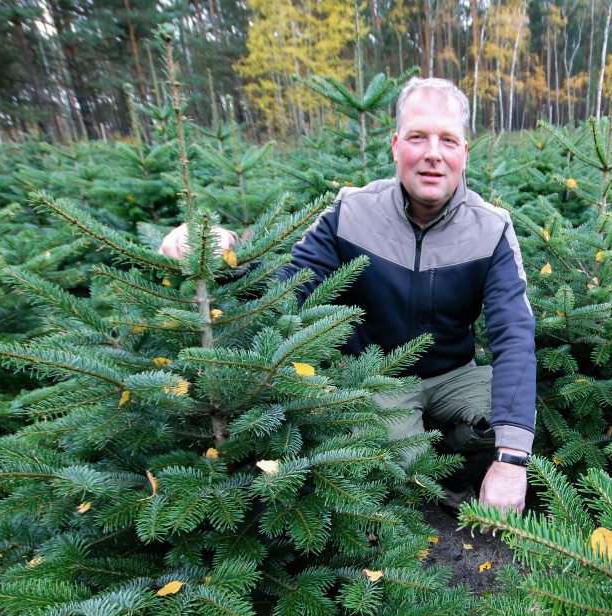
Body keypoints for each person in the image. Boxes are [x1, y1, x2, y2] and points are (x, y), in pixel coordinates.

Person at [160, 77, 535, 513]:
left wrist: (510, 461)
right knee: (400, 466)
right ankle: (433, 475)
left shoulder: (492, 229)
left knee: (510, 423)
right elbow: (290, 288)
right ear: (396, 146)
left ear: (464, 153)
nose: (433, 153)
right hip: (378, 380)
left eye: (448, 140)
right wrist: (226, 252)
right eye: (418, 137)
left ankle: (459, 459)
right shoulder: (350, 213)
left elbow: (514, 336)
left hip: (455, 374)